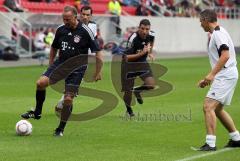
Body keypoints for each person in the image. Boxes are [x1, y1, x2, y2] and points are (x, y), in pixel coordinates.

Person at [21, 5, 102, 137]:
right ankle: (37, 112)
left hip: (77, 68)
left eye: (68, 19)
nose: (65, 22)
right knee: (40, 83)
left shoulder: (86, 31)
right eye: (64, 19)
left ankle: (60, 129)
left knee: (68, 99)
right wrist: (50, 64)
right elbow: (54, 48)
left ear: (75, 17)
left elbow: (98, 52)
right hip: (61, 63)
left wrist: (98, 71)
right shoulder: (61, 30)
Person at [198, 9, 240, 151]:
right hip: (228, 74)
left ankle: (210, 143)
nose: (200, 25)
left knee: (208, 106)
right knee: (218, 109)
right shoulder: (219, 31)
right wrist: (210, 77)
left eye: (200, 21)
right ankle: (236, 138)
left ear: (205, 20)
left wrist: (211, 75)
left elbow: (225, 55)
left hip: (226, 74)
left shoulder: (218, 33)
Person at [55, 5, 103, 110]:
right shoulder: (69, 25)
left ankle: (64, 101)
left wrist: (97, 68)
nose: (85, 17)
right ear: (79, 15)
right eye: (83, 14)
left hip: (84, 58)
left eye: (88, 15)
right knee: (72, 81)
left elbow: (95, 45)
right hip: (69, 58)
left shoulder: (93, 26)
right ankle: (64, 100)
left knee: (76, 81)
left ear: (91, 16)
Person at [121, 19, 155, 117]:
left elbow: (152, 42)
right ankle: (129, 110)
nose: (144, 31)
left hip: (142, 63)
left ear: (150, 29)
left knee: (151, 85)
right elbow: (126, 57)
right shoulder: (133, 38)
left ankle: (137, 91)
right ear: (139, 28)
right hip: (129, 65)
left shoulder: (151, 35)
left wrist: (150, 52)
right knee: (127, 92)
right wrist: (143, 53)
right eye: (142, 29)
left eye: (147, 29)